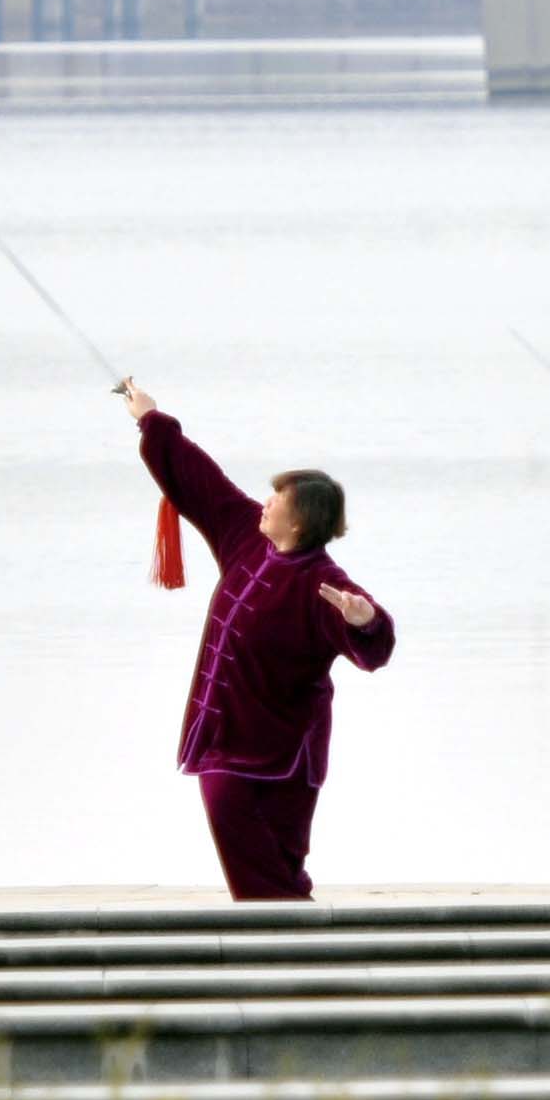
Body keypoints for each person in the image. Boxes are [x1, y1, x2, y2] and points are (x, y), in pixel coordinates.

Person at [127, 376, 393, 903]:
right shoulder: (244, 534)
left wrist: (365, 620)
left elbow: (375, 647)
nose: (265, 502)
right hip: (225, 737)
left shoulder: (323, 583)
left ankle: (288, 952)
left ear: (301, 520)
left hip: (285, 751)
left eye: (278, 497)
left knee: (281, 864)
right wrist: (151, 419)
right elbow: (198, 478)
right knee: (252, 844)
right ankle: (292, 950)